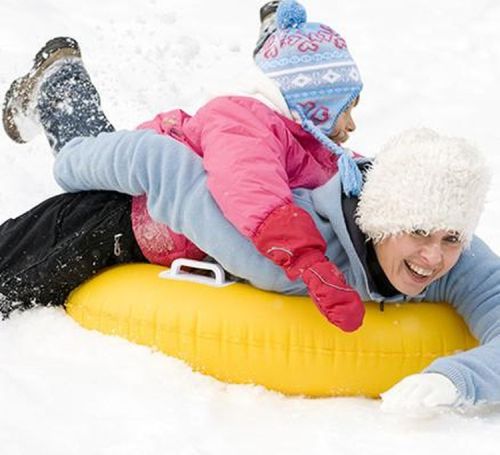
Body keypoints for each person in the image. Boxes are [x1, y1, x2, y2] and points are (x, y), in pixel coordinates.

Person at [2, 12, 500, 415]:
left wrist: (457, 379)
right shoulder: (276, 250)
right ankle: (61, 82)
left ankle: (62, 86)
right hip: (121, 218)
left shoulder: (444, 239)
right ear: (383, 221)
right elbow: (160, 164)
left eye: (452, 237)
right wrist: (74, 162)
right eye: (417, 233)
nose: (434, 256)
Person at [3, 0, 366, 332]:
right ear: (308, 101)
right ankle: (59, 84)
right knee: (74, 164)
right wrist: (305, 258)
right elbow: (251, 189)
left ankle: (61, 83)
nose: (351, 125)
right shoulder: (247, 122)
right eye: (344, 109)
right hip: (131, 203)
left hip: (161, 209)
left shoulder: (306, 139)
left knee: (90, 145)